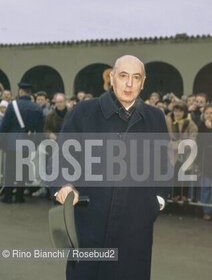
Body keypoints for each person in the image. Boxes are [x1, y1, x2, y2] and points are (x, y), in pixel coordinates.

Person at [53, 55, 169, 280]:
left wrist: (156, 201)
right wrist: (64, 186)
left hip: (136, 229)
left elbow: (163, 164)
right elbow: (60, 159)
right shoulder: (83, 112)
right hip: (89, 224)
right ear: (111, 78)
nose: (129, 84)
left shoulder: (155, 118)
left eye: (136, 78)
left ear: (143, 83)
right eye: (123, 76)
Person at [0, 82, 44, 203]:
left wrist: (2, 144)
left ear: (20, 92)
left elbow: (4, 127)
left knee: (9, 170)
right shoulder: (38, 109)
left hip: (12, 144)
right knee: (23, 170)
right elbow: (39, 130)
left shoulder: (12, 106)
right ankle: (20, 196)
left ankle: (7, 196)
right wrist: (35, 144)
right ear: (30, 93)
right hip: (27, 145)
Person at [166, 101, 198, 201]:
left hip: (187, 153)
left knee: (186, 173)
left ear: (184, 112)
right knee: (175, 173)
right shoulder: (169, 121)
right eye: (176, 111)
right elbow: (167, 137)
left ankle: (184, 195)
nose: (177, 114)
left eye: (180, 111)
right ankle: (175, 195)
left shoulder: (190, 123)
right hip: (173, 153)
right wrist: (178, 144)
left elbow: (193, 138)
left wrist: (182, 145)